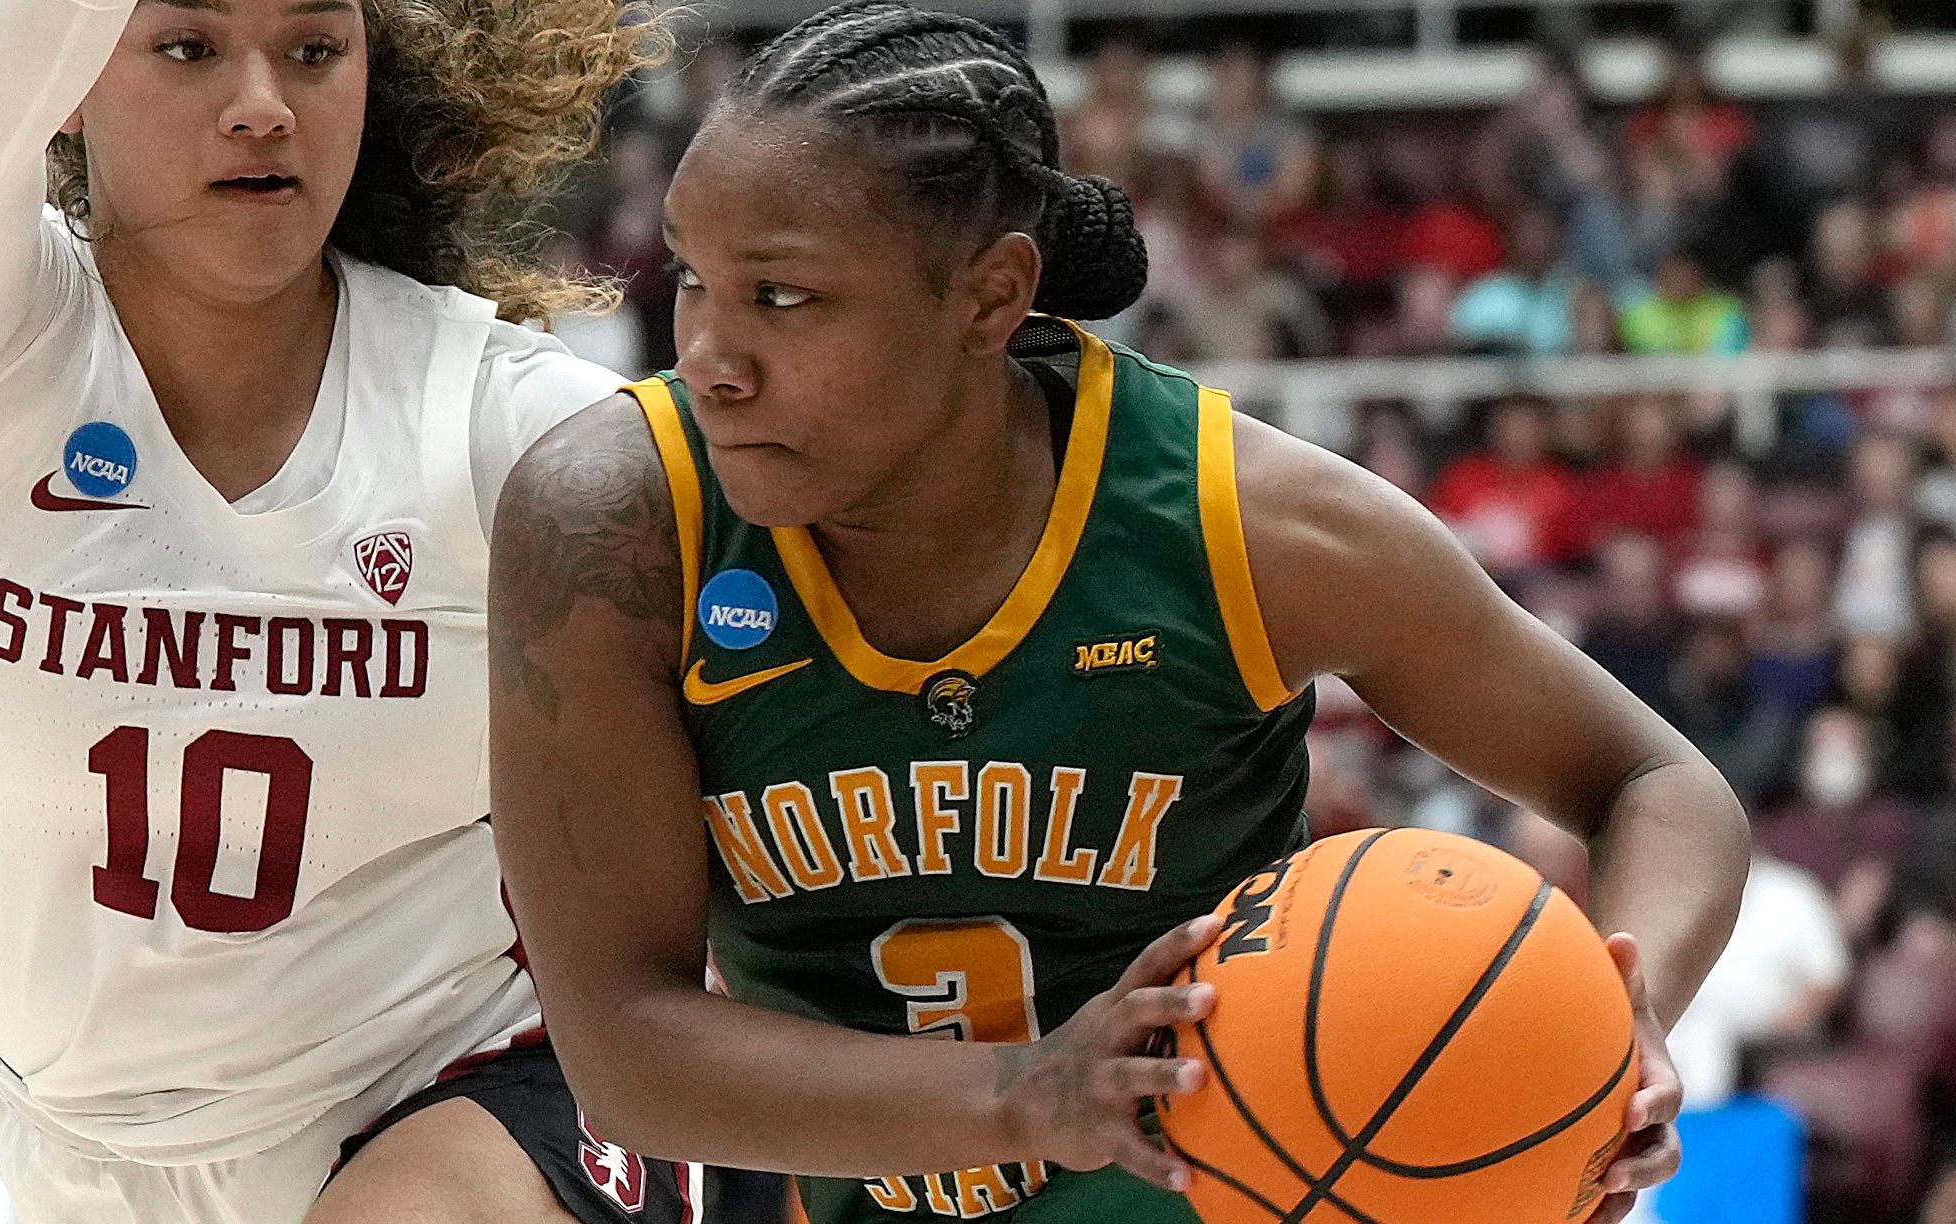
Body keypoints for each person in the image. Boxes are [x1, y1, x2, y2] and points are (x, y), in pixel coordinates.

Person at [487, 4, 1751, 1224]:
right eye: (694, 279)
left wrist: (1609, 1013)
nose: (709, 351)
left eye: (783, 297)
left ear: (989, 297)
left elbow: (1657, 781)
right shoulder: (617, 527)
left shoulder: (1240, 523)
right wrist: (1027, 1095)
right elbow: (624, 1050)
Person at [0, 0, 696, 1219]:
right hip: (76, 1154)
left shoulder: (513, 429)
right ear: (71, 80)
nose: (263, 102)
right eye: (189, 47)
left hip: (468, 1089)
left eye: (315, 52)